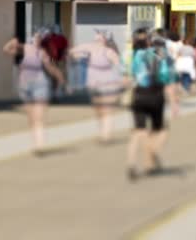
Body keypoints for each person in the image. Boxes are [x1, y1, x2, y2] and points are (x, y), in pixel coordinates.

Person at [127, 29, 178, 181]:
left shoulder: (138, 55)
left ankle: (131, 163)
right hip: (155, 95)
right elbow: (169, 82)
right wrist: (174, 103)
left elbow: (132, 75)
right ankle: (153, 152)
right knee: (161, 129)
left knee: (138, 132)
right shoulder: (165, 58)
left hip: (139, 94)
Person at [3, 30, 65, 155]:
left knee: (39, 117)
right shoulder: (24, 49)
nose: (37, 39)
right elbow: (6, 50)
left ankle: (39, 145)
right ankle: (36, 142)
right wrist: (13, 42)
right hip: (25, 87)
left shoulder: (42, 52)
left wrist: (60, 78)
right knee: (32, 119)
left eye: (40, 38)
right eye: (35, 37)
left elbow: (49, 67)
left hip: (40, 85)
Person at [69, 31, 124, 143]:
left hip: (109, 84)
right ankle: (102, 131)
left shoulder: (109, 52)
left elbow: (120, 67)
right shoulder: (89, 48)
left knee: (107, 110)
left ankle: (106, 135)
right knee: (98, 109)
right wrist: (77, 56)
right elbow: (72, 52)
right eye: (95, 39)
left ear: (105, 40)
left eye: (99, 39)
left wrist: (122, 81)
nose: (96, 41)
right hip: (94, 84)